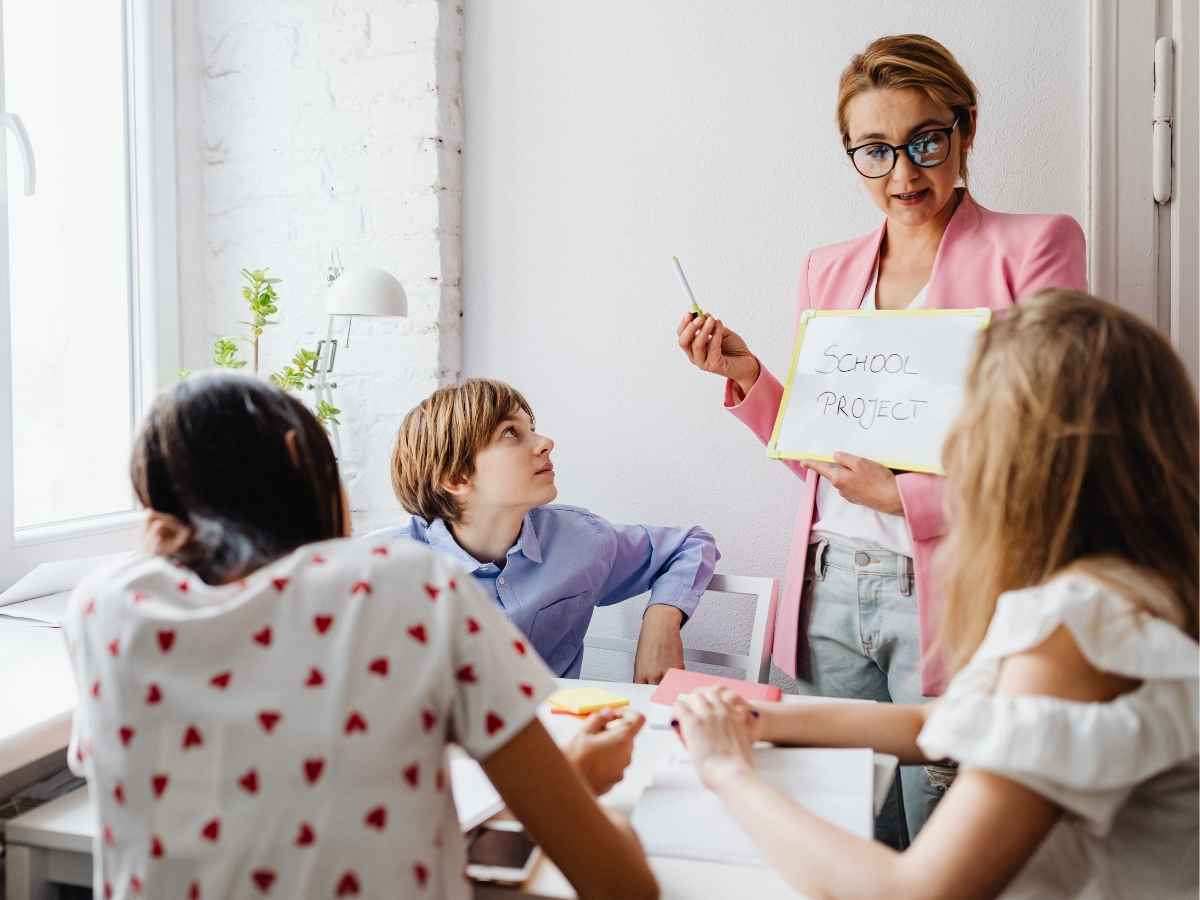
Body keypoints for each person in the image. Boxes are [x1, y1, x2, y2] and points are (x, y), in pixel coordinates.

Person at [675, 32, 1087, 843]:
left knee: (947, 828)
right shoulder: (827, 270)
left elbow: (1057, 445)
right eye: (876, 150)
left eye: (926, 141)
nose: (904, 174)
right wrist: (753, 377)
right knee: (845, 823)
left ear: (966, 129)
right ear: (852, 154)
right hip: (828, 583)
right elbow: (830, 454)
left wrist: (911, 498)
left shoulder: (1034, 247)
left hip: (953, 584)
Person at [672, 291, 1199, 900]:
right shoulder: (1129, 584)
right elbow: (943, 721)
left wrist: (727, 771)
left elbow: (913, 890)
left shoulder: (1078, 623)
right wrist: (762, 718)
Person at [62, 372, 658, 900]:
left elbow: (298, 816)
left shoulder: (106, 610)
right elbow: (618, 884)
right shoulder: (410, 584)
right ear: (303, 459)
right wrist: (580, 793)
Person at [384, 378, 718, 683]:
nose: (546, 442)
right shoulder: (383, 571)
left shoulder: (580, 539)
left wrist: (660, 620)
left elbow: (689, 545)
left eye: (532, 428)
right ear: (456, 478)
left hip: (562, 738)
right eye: (511, 433)